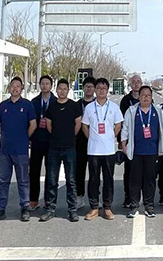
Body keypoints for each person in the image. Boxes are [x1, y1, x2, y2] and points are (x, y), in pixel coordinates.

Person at [0, 77, 36, 223]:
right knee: (2, 181)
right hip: (5, 150)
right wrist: (6, 135)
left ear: (22, 88)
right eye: (12, 86)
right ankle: (0, 209)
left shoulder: (27, 105)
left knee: (23, 180)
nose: (15, 88)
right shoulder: (3, 105)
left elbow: (33, 124)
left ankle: (25, 208)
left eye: (18, 86)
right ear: (9, 88)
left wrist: (24, 137)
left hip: (21, 150)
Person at [40, 79, 83, 222]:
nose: (62, 91)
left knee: (71, 180)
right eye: (60, 88)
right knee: (52, 180)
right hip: (54, 147)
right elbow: (49, 125)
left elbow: (78, 124)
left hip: (69, 147)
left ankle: (72, 210)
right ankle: (50, 209)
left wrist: (69, 136)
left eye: (65, 89)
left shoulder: (74, 106)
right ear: (56, 89)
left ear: (68, 90)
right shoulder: (52, 106)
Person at [121, 86, 163, 218]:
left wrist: (161, 144)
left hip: (152, 151)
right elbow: (125, 128)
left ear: (151, 97)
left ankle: (149, 206)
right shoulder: (132, 111)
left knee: (150, 180)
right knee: (134, 180)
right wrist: (124, 143)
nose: (146, 97)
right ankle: (134, 206)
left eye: (148, 95)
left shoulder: (158, 111)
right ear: (139, 97)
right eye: (143, 95)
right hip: (136, 151)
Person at [82, 78, 124, 220]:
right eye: (98, 88)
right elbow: (84, 125)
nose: (101, 90)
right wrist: (91, 138)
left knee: (108, 179)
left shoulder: (114, 107)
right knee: (93, 179)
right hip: (93, 150)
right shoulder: (89, 108)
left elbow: (118, 125)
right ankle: (94, 207)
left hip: (108, 150)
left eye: (104, 88)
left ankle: (107, 207)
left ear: (107, 90)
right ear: (95, 90)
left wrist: (111, 136)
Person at [29, 75, 55, 210]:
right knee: (34, 171)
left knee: (50, 172)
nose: (45, 86)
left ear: (51, 86)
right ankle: (33, 200)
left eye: (47, 83)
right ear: (39, 85)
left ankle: (48, 200)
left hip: (51, 142)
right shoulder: (33, 102)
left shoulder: (56, 102)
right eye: (42, 83)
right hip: (36, 141)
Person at [119, 74, 142, 208]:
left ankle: (139, 196)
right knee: (129, 170)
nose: (136, 84)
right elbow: (121, 122)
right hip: (129, 141)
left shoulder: (146, 98)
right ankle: (128, 196)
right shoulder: (125, 100)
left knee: (142, 170)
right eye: (134, 82)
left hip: (142, 140)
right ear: (130, 84)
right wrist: (121, 141)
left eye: (138, 81)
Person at [75, 76, 96, 210]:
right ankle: (79, 197)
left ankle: (95, 198)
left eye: (91, 86)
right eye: (86, 86)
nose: (88, 89)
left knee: (95, 171)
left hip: (95, 141)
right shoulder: (76, 105)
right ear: (83, 88)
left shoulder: (99, 104)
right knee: (79, 171)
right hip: (80, 142)